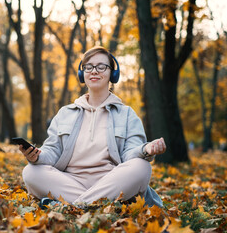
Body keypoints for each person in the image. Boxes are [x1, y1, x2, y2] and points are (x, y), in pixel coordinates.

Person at [18, 46, 166, 208]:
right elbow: (52, 153)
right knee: (30, 172)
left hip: (111, 182)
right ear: (82, 74)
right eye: (88, 67)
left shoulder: (127, 114)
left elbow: (130, 155)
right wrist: (37, 156)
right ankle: (95, 205)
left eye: (101, 66)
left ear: (112, 74)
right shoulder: (65, 113)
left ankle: (71, 206)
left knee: (141, 167)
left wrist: (145, 150)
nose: (94, 71)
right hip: (69, 182)